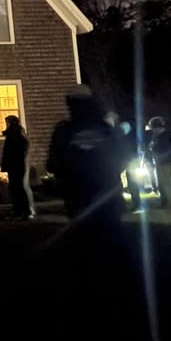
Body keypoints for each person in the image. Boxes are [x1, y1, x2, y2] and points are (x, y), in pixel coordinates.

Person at [48, 85, 124, 235]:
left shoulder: (65, 130)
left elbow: (54, 163)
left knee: (85, 238)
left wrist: (65, 178)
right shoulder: (105, 128)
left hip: (80, 195)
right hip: (107, 193)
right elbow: (123, 156)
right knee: (112, 238)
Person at [1, 115, 32, 218]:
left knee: (16, 188)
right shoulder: (17, 134)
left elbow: (12, 152)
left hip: (15, 166)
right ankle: (23, 210)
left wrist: (8, 164)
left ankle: (21, 211)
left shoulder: (13, 135)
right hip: (17, 165)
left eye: (8, 123)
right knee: (17, 188)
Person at [151, 120, 171, 207]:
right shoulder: (164, 135)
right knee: (164, 181)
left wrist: (153, 148)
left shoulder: (161, 136)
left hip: (164, 161)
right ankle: (167, 200)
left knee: (165, 182)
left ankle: (169, 201)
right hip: (164, 161)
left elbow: (164, 149)